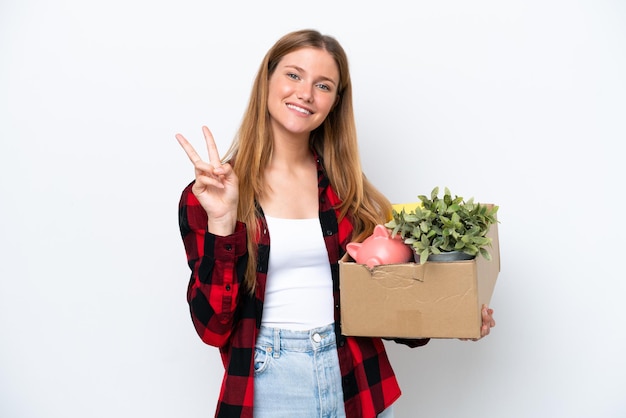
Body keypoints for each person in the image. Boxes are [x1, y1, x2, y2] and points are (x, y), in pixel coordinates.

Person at [176, 29, 496, 418]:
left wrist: (452, 314)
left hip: (357, 381)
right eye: (293, 75)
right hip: (271, 382)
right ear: (267, 81)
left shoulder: (350, 195)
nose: (306, 94)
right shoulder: (211, 196)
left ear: (334, 102)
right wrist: (223, 223)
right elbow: (213, 328)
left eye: (323, 85)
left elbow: (384, 301)